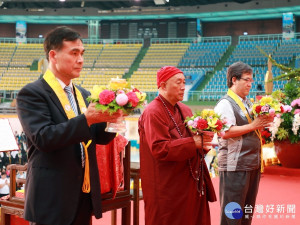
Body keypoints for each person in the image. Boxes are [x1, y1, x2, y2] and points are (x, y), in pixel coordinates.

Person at [16, 26, 122, 225]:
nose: (80, 60)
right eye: (74, 53)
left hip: (83, 193)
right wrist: (87, 119)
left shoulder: (82, 93)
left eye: (82, 53)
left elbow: (97, 136)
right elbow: (44, 138)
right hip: (52, 196)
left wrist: (112, 120)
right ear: (53, 56)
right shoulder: (32, 93)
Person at [138, 66, 217, 225]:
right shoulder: (153, 112)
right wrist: (193, 142)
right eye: (178, 82)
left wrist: (203, 143)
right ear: (163, 85)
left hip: (189, 180)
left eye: (184, 82)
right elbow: (160, 148)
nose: (183, 87)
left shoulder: (185, 109)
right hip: (166, 185)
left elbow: (194, 142)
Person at [214, 61, 273, 225]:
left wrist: (261, 124)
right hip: (235, 166)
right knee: (232, 215)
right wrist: (253, 125)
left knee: (246, 214)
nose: (250, 84)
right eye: (246, 79)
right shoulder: (225, 104)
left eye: (251, 80)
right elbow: (225, 132)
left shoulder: (247, 102)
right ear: (234, 80)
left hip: (250, 164)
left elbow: (249, 129)